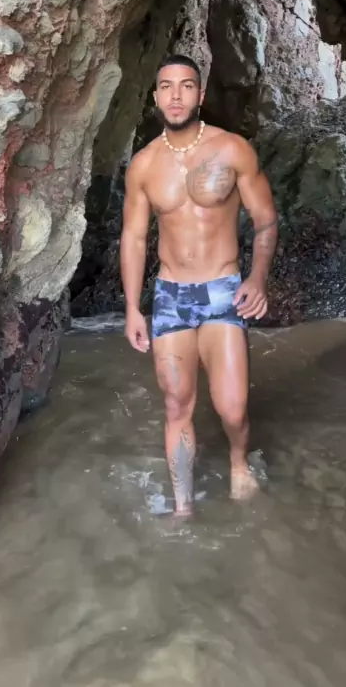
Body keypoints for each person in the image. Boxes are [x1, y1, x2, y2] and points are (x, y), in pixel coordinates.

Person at [120, 54, 278, 516]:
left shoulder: (232, 150)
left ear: (200, 94)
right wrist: (132, 307)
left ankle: (238, 461)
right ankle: (183, 509)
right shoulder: (144, 165)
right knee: (176, 406)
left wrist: (257, 277)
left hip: (222, 291)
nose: (176, 96)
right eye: (167, 87)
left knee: (232, 408)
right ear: (155, 97)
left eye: (186, 86)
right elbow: (133, 238)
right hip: (171, 297)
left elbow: (265, 220)